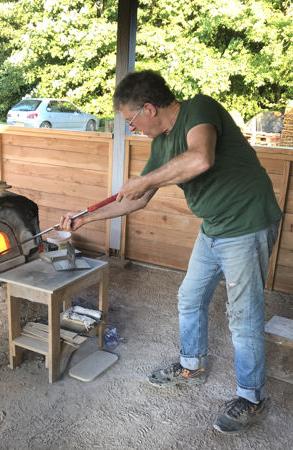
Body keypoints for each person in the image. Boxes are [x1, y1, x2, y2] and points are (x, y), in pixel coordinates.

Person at [59, 70, 283, 434]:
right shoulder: (161, 144)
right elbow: (137, 200)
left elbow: (200, 159)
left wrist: (144, 179)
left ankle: (252, 398)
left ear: (148, 108)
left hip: (247, 223)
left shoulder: (199, 110)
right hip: (213, 226)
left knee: (243, 315)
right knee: (190, 298)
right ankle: (191, 366)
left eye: (131, 120)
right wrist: (84, 220)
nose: (132, 129)